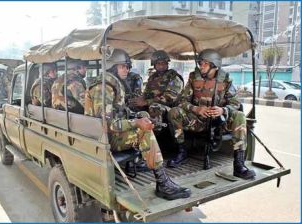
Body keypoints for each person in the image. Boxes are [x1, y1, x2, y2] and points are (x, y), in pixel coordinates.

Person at [85, 48, 191, 200]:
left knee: (144, 116)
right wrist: (137, 123)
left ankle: (146, 162)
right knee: (143, 132)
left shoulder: (111, 83)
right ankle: (163, 183)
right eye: (123, 66)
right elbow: (107, 124)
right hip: (103, 138)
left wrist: (139, 117)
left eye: (128, 66)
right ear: (113, 67)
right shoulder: (104, 88)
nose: (127, 69)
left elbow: (119, 113)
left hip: (109, 134)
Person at [167, 49, 256, 179]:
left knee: (240, 115)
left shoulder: (225, 79)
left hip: (219, 121)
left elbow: (235, 102)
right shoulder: (193, 77)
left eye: (204, 63)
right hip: (198, 120)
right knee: (174, 112)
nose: (201, 66)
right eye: (200, 63)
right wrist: (196, 109)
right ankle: (182, 151)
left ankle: (239, 164)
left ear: (214, 65)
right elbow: (182, 100)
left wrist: (223, 110)